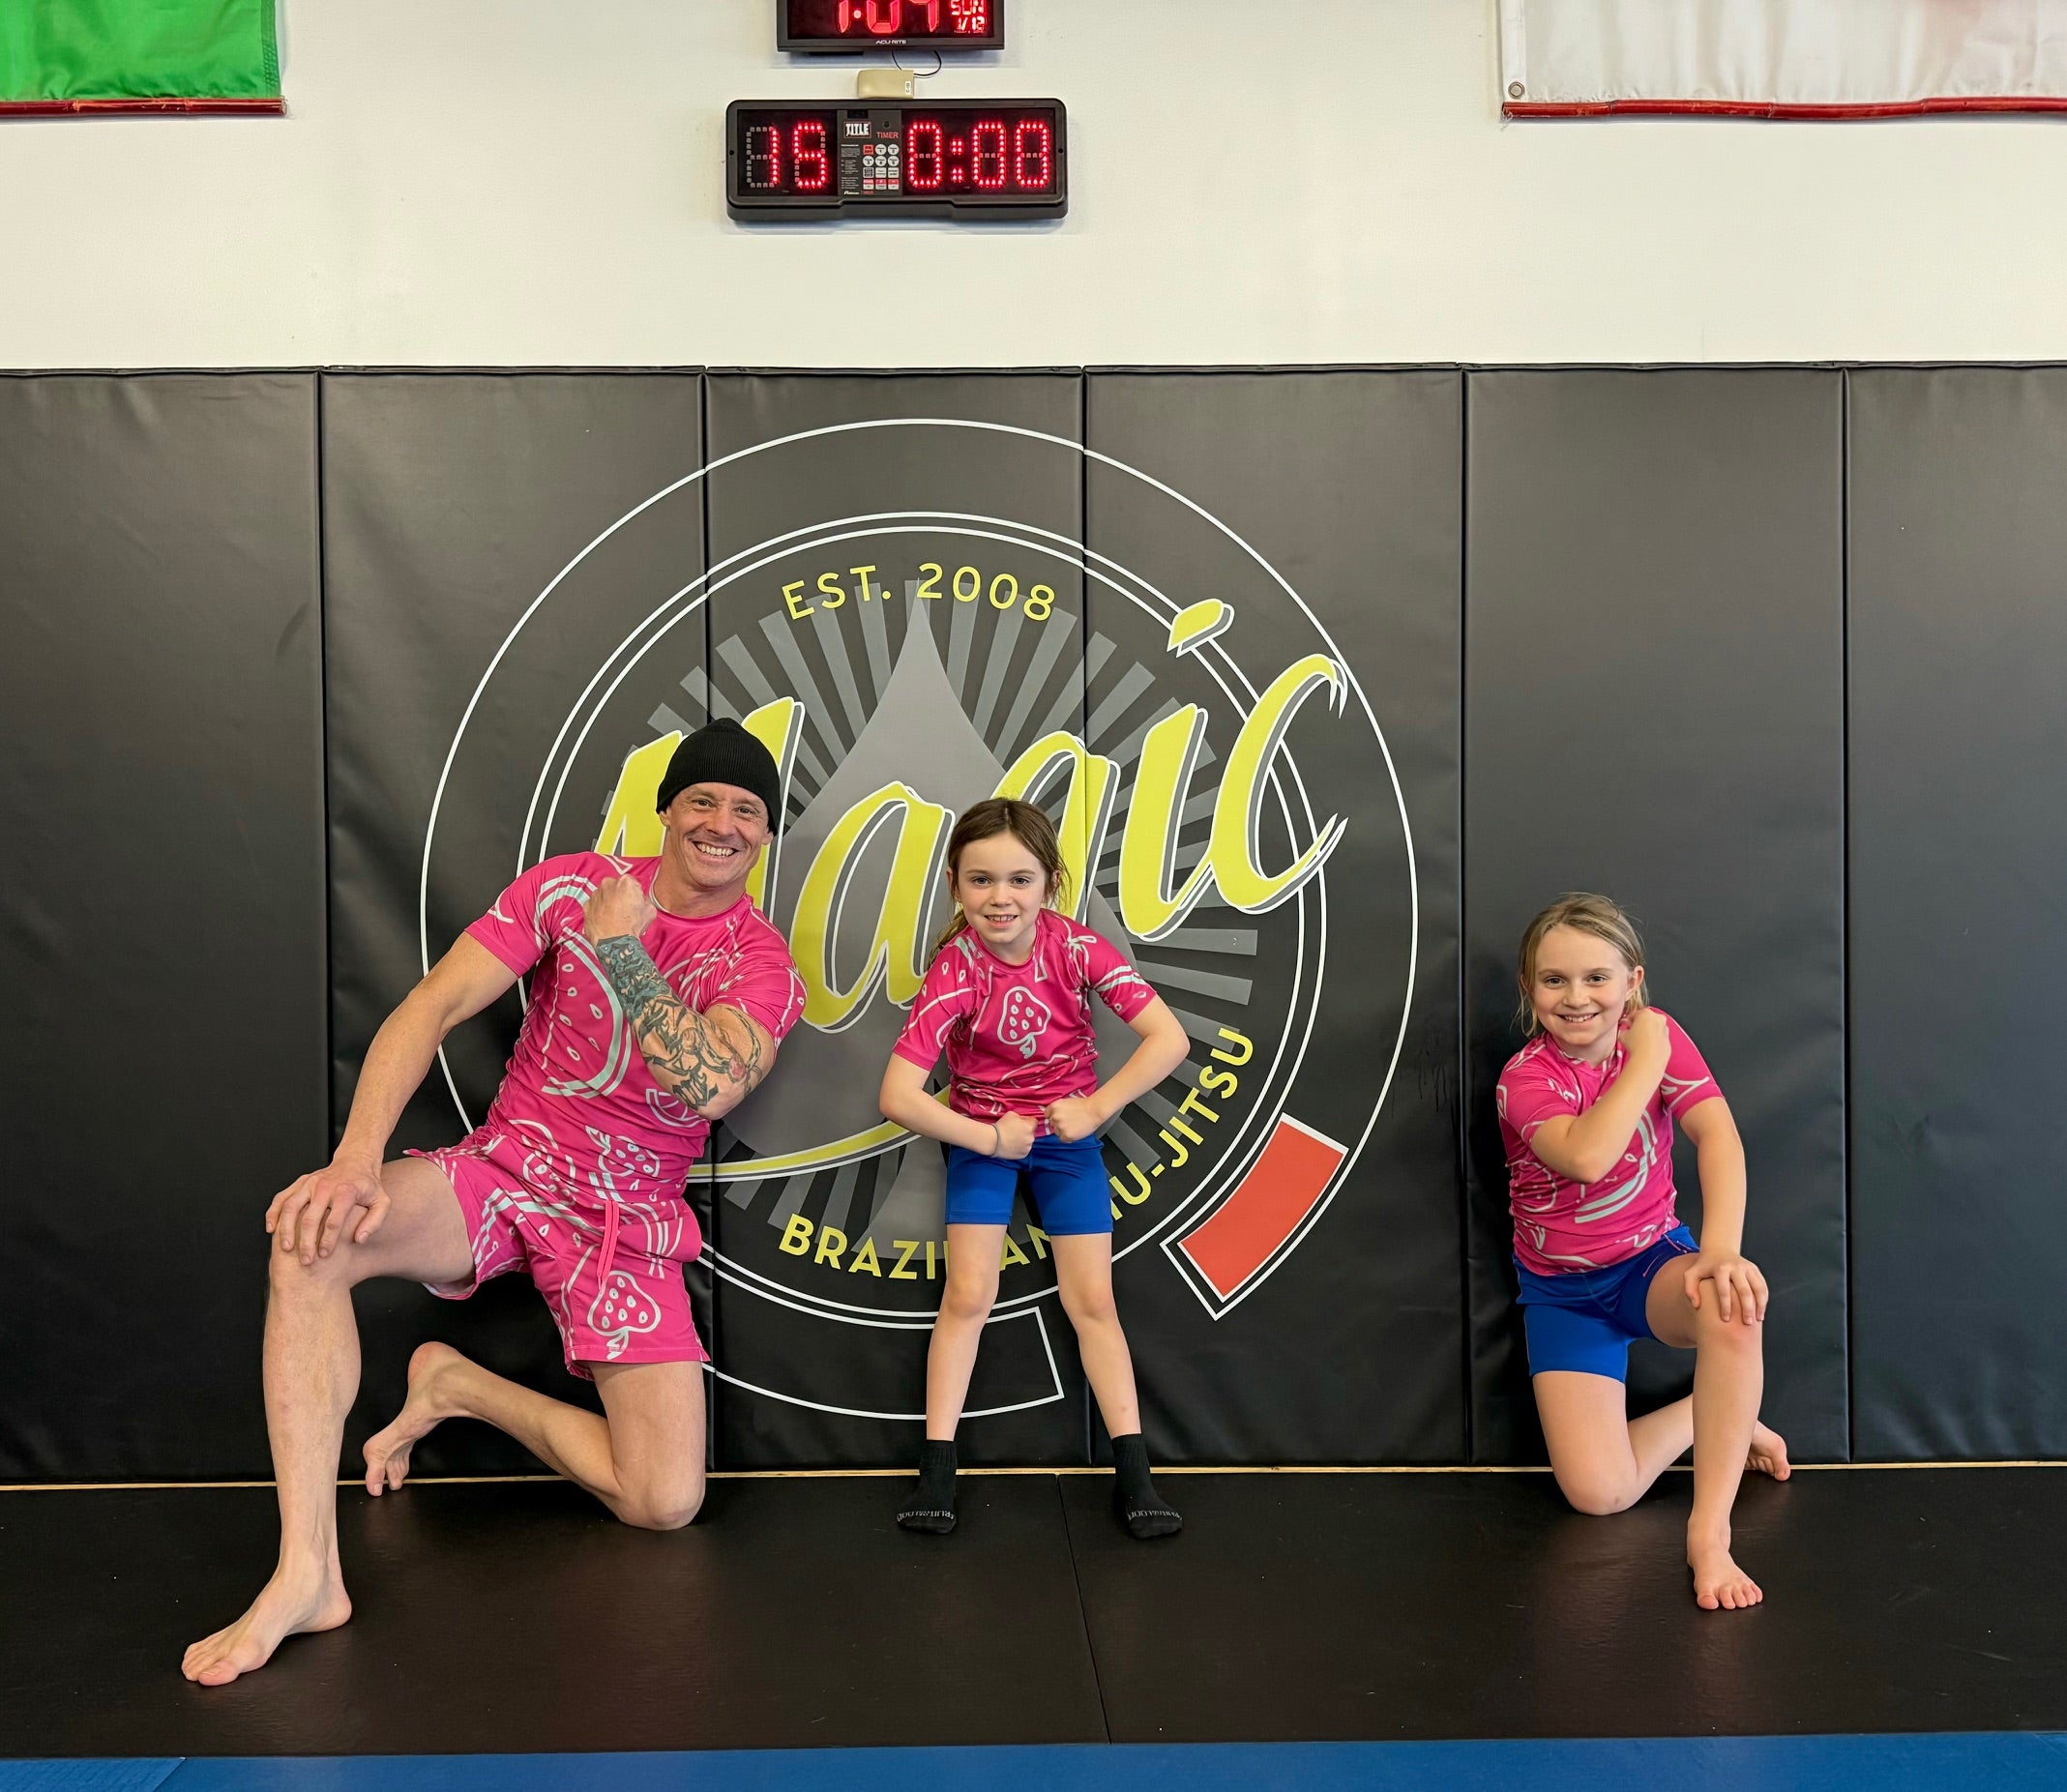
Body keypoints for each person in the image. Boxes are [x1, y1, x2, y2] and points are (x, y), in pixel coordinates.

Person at [182, 720, 805, 1685]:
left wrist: (627, 954)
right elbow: (429, 1005)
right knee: (311, 1242)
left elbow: (705, 1087)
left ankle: (457, 1385)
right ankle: (307, 1570)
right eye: (703, 800)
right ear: (669, 807)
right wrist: (354, 1160)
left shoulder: (760, 961)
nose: (721, 823)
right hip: (507, 1171)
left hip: (626, 1224)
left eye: (746, 810)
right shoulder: (569, 884)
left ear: (766, 834)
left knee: (663, 1498)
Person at [878, 798, 1191, 1540]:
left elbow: (1167, 1037)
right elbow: (895, 1096)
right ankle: (937, 1466)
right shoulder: (956, 970)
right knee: (967, 1294)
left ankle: (1136, 1471)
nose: (999, 898)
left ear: (1050, 883)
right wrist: (987, 1139)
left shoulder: (1076, 948)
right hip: (988, 1137)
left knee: (1093, 1300)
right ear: (954, 884)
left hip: (1065, 1138)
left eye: (1019, 879)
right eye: (980, 880)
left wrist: (1096, 1107)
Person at [1496, 893, 1789, 1611]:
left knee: (1730, 1303)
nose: (1576, 997)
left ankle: (1709, 1534)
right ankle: (1716, 1410)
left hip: (1649, 1264)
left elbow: (1716, 1135)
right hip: (1563, 1291)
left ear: (1632, 980)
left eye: (1597, 977)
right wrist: (1647, 1054)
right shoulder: (1523, 1079)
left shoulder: (1658, 1034)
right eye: (1553, 979)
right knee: (1600, 1493)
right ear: (1528, 989)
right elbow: (1588, 1157)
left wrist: (1720, 1248)